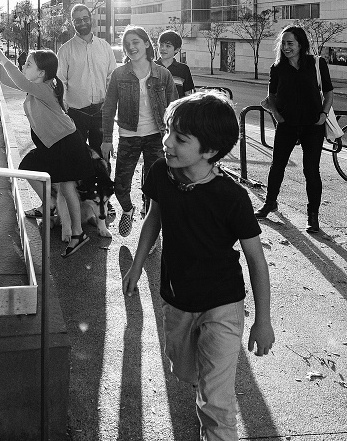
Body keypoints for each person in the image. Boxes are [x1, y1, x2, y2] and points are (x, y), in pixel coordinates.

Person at [122, 92, 275, 440]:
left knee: (217, 402)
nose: (166, 143)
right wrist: (137, 263)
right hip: (177, 299)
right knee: (185, 371)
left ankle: (214, 420)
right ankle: (204, 392)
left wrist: (262, 321)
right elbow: (154, 217)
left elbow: (255, 258)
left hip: (223, 303)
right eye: (167, 131)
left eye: (179, 138)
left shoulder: (231, 197)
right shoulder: (162, 172)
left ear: (208, 151)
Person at [0, 42, 94, 258]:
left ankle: (78, 233)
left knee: (67, 186)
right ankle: (49, 204)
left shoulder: (44, 87)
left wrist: (0, 55)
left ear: (41, 72)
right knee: (29, 168)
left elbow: (17, 78)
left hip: (66, 143)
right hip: (53, 144)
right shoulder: (37, 86)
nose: (24, 66)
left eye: (28, 64)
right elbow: (7, 78)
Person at [101, 26, 178, 237]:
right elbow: (108, 109)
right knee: (120, 186)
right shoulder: (119, 75)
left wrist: (176, 138)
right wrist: (107, 139)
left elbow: (175, 108)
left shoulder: (163, 74)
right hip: (128, 136)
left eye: (135, 42)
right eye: (127, 44)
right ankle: (128, 209)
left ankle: (150, 231)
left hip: (156, 137)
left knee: (154, 188)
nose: (131, 47)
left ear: (146, 44)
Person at [256, 25, 333, 233]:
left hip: (312, 126)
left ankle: (313, 215)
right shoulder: (277, 67)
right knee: (277, 166)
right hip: (287, 125)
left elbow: (328, 92)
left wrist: (323, 115)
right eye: (283, 43)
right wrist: (277, 116)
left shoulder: (316, 63)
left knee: (311, 171)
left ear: (301, 44)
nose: (286, 47)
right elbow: (271, 96)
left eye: (290, 43)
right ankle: (270, 202)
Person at [57, 4, 117, 160]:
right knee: (77, 157)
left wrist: (109, 105)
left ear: (91, 19)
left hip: (101, 112)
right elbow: (60, 82)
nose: (82, 22)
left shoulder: (105, 47)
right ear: (72, 22)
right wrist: (65, 111)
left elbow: (112, 78)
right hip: (77, 114)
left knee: (103, 157)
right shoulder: (65, 50)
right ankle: (83, 185)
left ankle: (104, 184)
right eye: (77, 20)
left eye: (85, 18)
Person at [156, 30, 195, 98]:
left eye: (168, 46)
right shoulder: (151, 66)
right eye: (161, 45)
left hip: (176, 108)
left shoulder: (183, 69)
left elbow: (189, 96)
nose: (163, 48)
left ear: (177, 49)